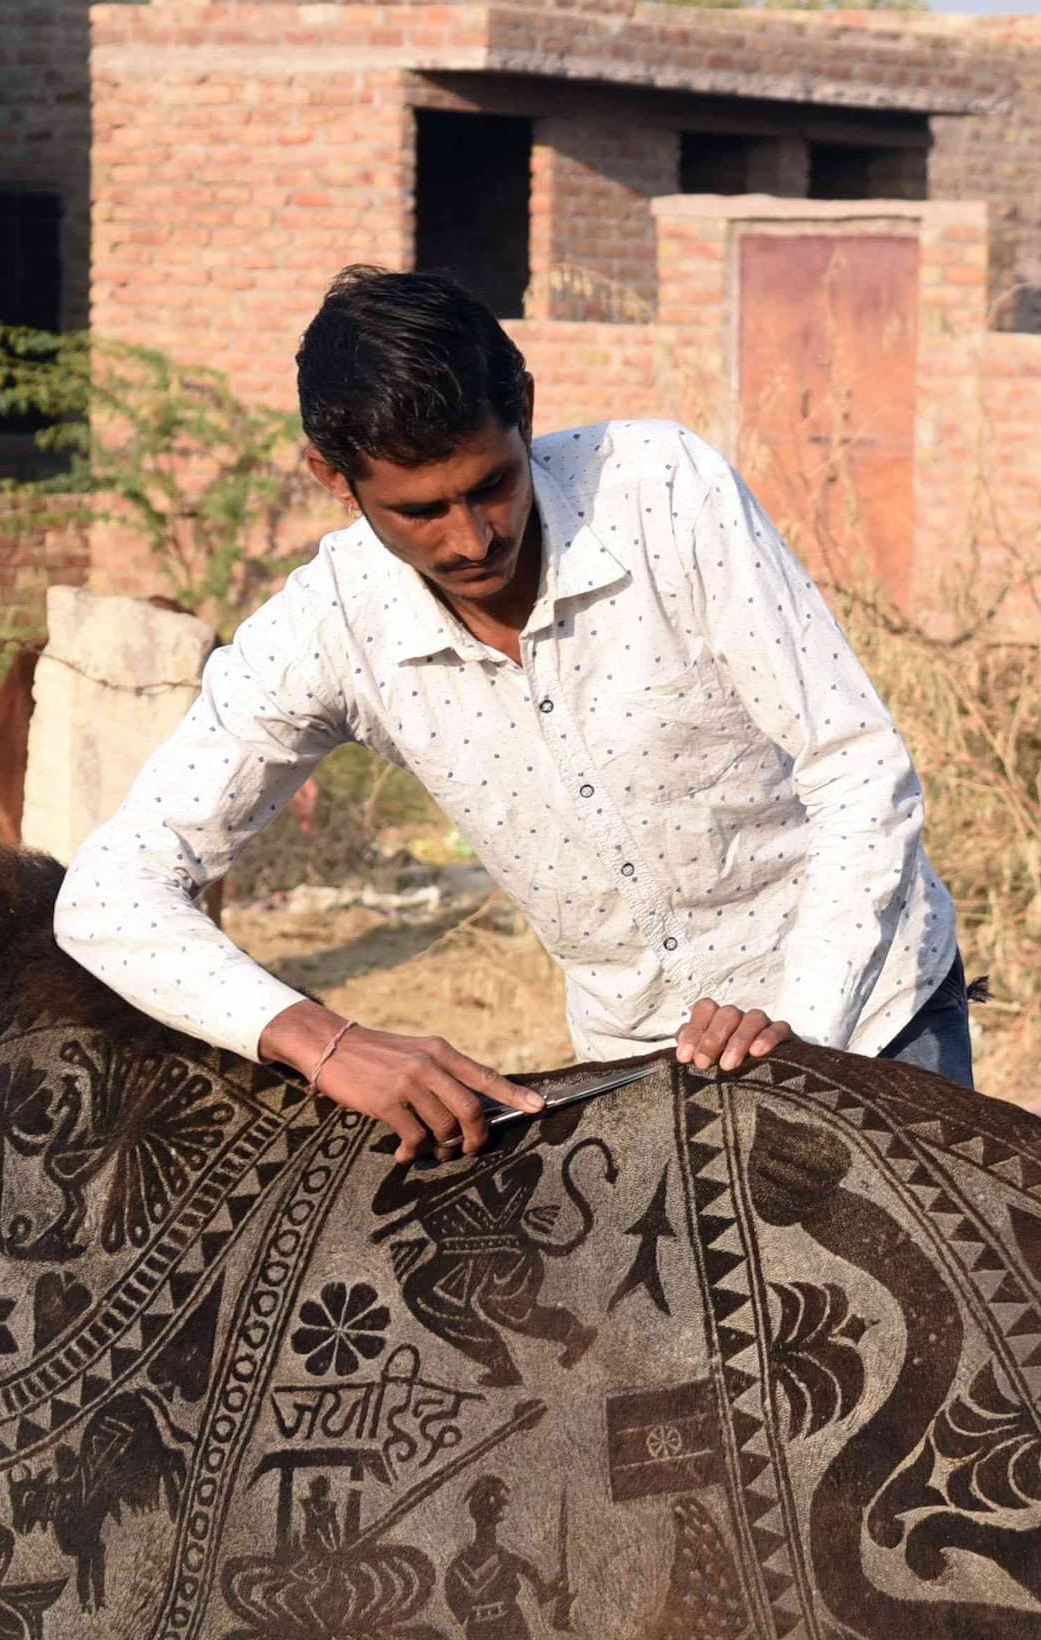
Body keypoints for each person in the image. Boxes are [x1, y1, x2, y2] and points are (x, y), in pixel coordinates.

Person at [54, 267, 969, 1164]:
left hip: (866, 1019)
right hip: (638, 1072)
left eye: (491, 485)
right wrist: (323, 1041)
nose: (472, 537)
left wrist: (799, 1025)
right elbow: (107, 893)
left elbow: (856, 766)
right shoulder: (326, 628)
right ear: (333, 478)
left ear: (524, 407)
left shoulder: (662, 492)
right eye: (419, 511)